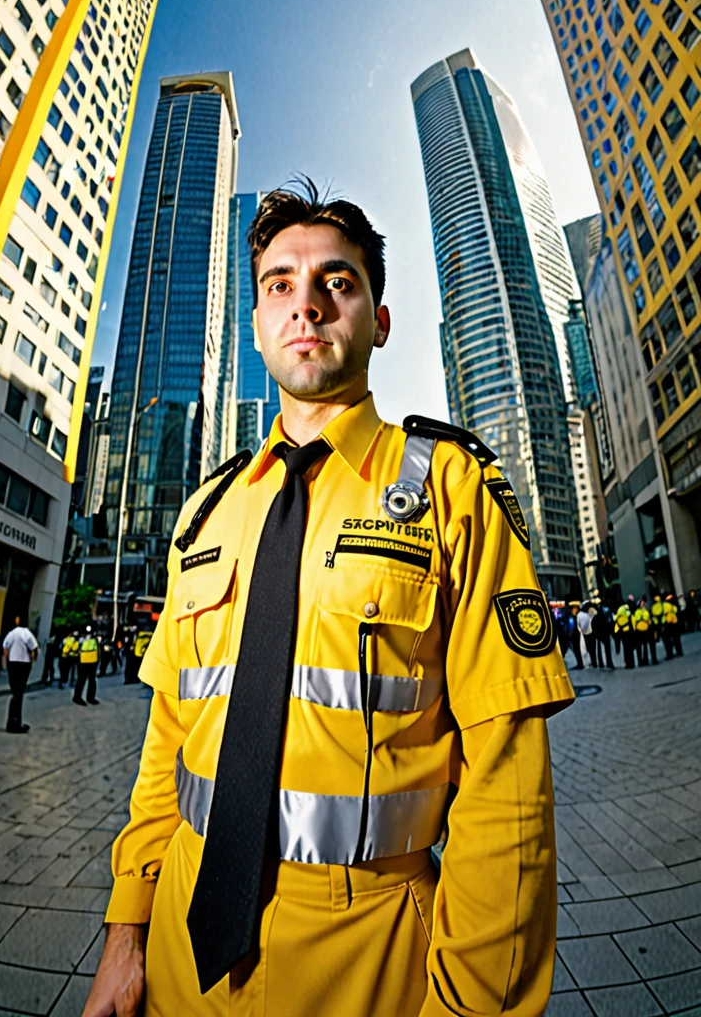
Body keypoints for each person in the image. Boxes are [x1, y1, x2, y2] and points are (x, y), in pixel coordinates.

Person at [84, 181, 575, 1017]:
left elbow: (508, 784)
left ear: (379, 320)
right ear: (257, 325)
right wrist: (125, 933)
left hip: (369, 963)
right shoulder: (205, 513)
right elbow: (169, 736)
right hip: (177, 959)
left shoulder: (453, 490)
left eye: (337, 283)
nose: (305, 304)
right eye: (280, 284)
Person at [2, 615, 39, 733]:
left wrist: (6, 660)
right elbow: (34, 648)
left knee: (15, 693)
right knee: (19, 693)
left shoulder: (12, 633)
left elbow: (5, 647)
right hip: (23, 664)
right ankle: (16, 722)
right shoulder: (27, 634)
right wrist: (33, 660)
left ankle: (12, 721)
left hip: (12, 663)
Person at [73, 625, 99, 706]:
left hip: (92, 661)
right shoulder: (80, 639)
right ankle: (77, 698)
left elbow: (98, 649)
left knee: (92, 680)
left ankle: (90, 698)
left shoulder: (95, 638)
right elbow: (75, 648)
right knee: (81, 680)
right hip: (83, 662)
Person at [591, 601, 615, 670]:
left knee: (600, 650)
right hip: (605, 635)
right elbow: (608, 625)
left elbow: (594, 627)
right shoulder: (604, 616)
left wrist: (596, 635)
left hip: (599, 636)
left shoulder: (595, 618)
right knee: (607, 651)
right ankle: (609, 663)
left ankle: (601, 663)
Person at [613, 601, 635, 669]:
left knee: (625, 649)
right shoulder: (628, 615)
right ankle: (631, 663)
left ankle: (626, 663)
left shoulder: (618, 617)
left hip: (622, 634)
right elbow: (633, 624)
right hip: (629, 633)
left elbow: (616, 629)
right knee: (630, 649)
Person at [632, 597, 652, 666]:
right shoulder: (637, 611)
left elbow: (647, 618)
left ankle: (645, 660)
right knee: (639, 647)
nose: (643, 604)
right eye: (642, 603)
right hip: (639, 631)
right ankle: (640, 661)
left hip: (645, 630)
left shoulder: (645, 611)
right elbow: (639, 618)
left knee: (645, 646)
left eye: (643, 603)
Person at [577, 600, 597, 667]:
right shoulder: (590, 614)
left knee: (586, 649)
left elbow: (578, 625)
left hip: (584, 634)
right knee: (592, 650)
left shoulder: (579, 614)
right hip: (591, 633)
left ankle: (587, 663)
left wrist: (581, 631)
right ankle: (594, 663)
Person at [662, 594, 683, 659]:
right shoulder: (673, 604)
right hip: (672, 623)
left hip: (669, 623)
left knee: (669, 639)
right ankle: (677, 652)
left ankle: (671, 653)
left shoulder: (665, 605)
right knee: (674, 639)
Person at [567, 600, 584, 669]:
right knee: (576, 650)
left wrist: (569, 633)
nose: (572, 610)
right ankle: (580, 663)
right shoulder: (576, 616)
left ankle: (580, 664)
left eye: (573, 608)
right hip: (576, 635)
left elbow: (572, 626)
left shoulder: (575, 617)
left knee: (577, 649)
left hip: (576, 635)